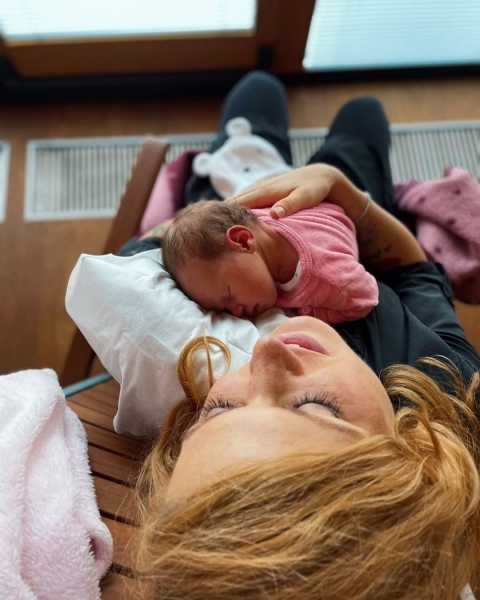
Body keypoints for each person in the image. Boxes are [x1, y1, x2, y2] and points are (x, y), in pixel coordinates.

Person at [125, 72, 480, 598]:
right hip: (342, 227)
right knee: (361, 115)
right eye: (316, 406)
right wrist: (344, 193)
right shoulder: (448, 385)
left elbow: (138, 259)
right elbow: (414, 274)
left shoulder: (181, 335)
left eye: (219, 411)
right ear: (409, 455)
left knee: (257, 89)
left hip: (220, 222)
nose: (265, 350)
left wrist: (190, 226)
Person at [161, 198, 379, 323]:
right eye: (224, 310)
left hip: (344, 211)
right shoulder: (253, 226)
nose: (236, 312)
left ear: (243, 241)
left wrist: (310, 313)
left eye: (229, 295)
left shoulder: (329, 278)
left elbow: (366, 299)